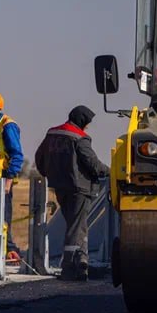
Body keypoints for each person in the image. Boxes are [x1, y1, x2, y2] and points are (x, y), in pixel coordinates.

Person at [34, 105, 111, 281]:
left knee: (77, 226)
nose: (88, 127)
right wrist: (111, 171)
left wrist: (50, 174)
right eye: (87, 123)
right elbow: (92, 163)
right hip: (80, 189)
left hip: (60, 186)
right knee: (76, 229)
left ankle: (81, 265)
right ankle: (69, 267)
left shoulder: (52, 133)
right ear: (82, 121)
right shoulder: (80, 138)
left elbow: (39, 158)